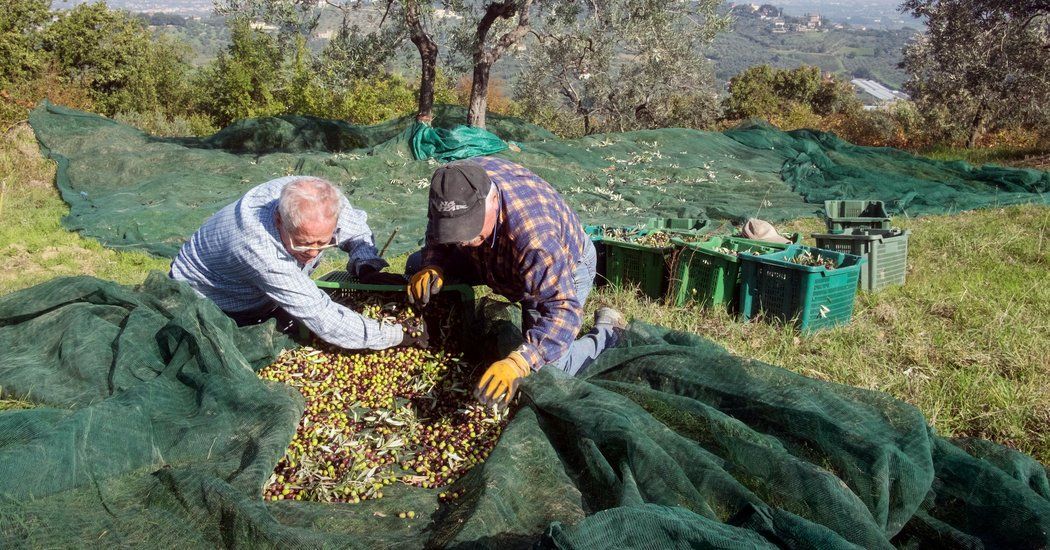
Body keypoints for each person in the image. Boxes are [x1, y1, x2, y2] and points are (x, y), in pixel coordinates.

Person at [406, 158, 626, 407]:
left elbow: (563, 309)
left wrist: (519, 361)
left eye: (469, 228)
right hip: (493, 259)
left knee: (549, 369)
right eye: (454, 231)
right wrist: (433, 264)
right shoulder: (454, 185)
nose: (462, 241)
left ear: (492, 200)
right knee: (416, 265)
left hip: (561, 271)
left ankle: (608, 333)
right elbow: (437, 232)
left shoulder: (535, 239)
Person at [170, 175, 426, 350]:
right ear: (279, 220)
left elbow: (354, 229)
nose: (313, 254)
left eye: (323, 243)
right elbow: (322, 316)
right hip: (210, 301)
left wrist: (365, 263)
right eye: (303, 244)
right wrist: (396, 334)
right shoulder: (257, 247)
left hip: (254, 284)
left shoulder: (320, 198)